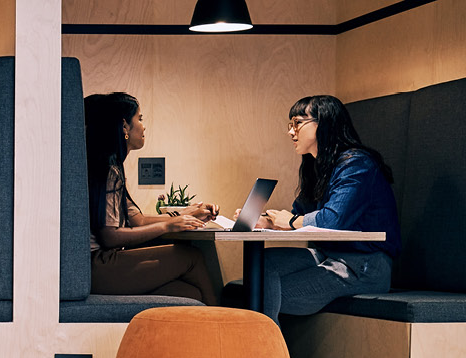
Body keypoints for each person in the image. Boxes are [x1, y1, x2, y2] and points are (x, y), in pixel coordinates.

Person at [248, 95, 400, 323]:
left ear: (324, 122)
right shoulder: (317, 165)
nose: (291, 132)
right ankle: (266, 352)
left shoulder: (357, 164)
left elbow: (332, 221)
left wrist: (289, 222)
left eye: (297, 123)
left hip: (364, 265)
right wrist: (266, 221)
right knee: (262, 263)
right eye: (290, 125)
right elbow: (300, 214)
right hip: (327, 256)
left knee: (261, 294)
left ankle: (266, 356)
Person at [84, 92, 220, 305]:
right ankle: (222, 326)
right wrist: (168, 227)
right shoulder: (108, 171)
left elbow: (137, 220)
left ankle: (214, 326)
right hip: (98, 266)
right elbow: (109, 237)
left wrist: (184, 214)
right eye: (139, 118)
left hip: (100, 266)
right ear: (124, 127)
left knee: (190, 295)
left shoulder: (109, 168)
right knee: (192, 257)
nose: (143, 126)